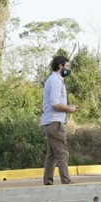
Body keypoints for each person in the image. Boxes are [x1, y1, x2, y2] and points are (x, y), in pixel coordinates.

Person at [40, 54, 78, 185]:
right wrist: (69, 108)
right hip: (55, 122)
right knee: (62, 153)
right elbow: (55, 104)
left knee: (52, 155)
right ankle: (66, 181)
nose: (69, 69)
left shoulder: (54, 80)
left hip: (51, 121)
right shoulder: (55, 81)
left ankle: (48, 182)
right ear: (60, 66)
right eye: (67, 66)